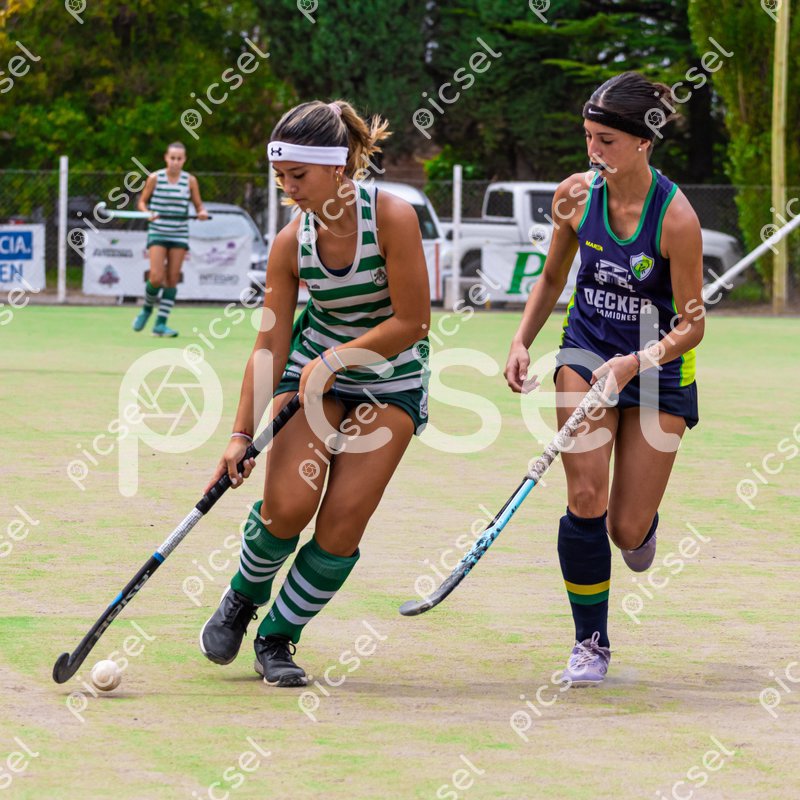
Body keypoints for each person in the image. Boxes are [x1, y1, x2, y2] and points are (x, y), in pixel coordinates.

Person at [199, 99, 431, 687]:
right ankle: (242, 597)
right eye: (281, 176)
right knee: (287, 508)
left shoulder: (393, 218)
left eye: (297, 175)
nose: (288, 188)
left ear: (338, 165)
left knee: (341, 524)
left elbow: (413, 321)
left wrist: (338, 358)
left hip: (389, 382)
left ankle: (277, 636)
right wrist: (239, 433)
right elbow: (269, 346)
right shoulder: (289, 243)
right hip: (311, 378)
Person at [505, 72, 704, 686]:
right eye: (588, 137)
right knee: (586, 496)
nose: (593, 152)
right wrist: (521, 340)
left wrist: (637, 362)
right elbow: (552, 278)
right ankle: (590, 642)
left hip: (658, 371)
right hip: (586, 350)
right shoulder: (574, 196)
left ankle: (641, 527)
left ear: (644, 141)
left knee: (625, 528)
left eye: (606, 141)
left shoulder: (676, 220)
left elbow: (693, 325)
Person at [132, 142, 208, 337]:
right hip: (158, 232)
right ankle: (146, 310)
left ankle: (160, 324)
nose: (175, 162)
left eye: (179, 158)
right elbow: (142, 202)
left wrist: (201, 212)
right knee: (156, 277)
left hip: (179, 233)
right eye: (172, 158)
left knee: (172, 279)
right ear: (166, 158)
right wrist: (148, 213)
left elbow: (199, 206)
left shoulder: (190, 180)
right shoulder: (155, 178)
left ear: (184, 160)